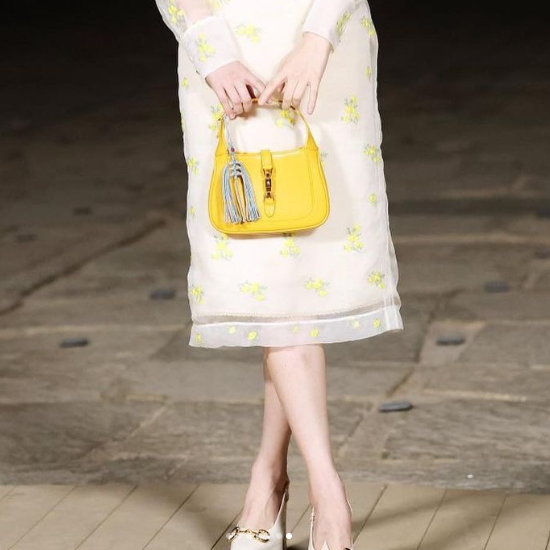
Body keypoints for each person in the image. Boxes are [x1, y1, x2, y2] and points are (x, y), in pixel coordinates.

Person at [153, 1, 404, 549]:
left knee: (295, 289)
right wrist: (213, 51)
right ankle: (327, 493)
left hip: (326, 50)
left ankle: (268, 484)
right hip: (227, 49)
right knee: (269, 277)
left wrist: (318, 38)